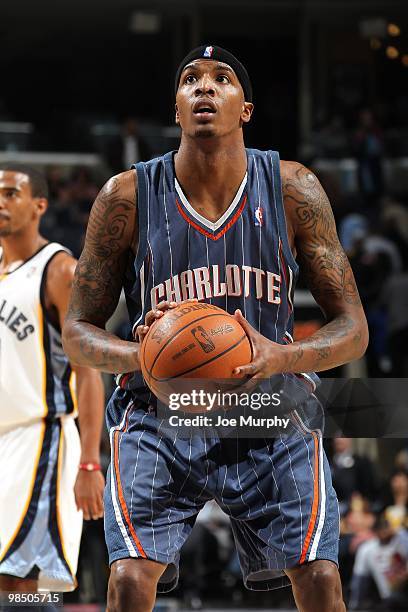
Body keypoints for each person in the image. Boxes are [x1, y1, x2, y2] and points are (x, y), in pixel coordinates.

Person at [63, 45, 368, 612]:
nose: (205, 87)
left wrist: (280, 355)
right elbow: (76, 332)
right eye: (190, 80)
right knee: (129, 581)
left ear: (245, 108)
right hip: (161, 413)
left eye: (222, 79)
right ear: (176, 108)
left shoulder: (292, 188)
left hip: (266, 411)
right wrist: (141, 353)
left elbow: (353, 330)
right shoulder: (125, 196)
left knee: (322, 577)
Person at [0, 164, 105, 593]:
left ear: (39, 205)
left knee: (19, 577)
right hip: (4, 438)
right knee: (24, 581)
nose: (0, 203)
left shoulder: (60, 270)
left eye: (10, 194)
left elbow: (88, 372)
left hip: (41, 438)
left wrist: (90, 462)